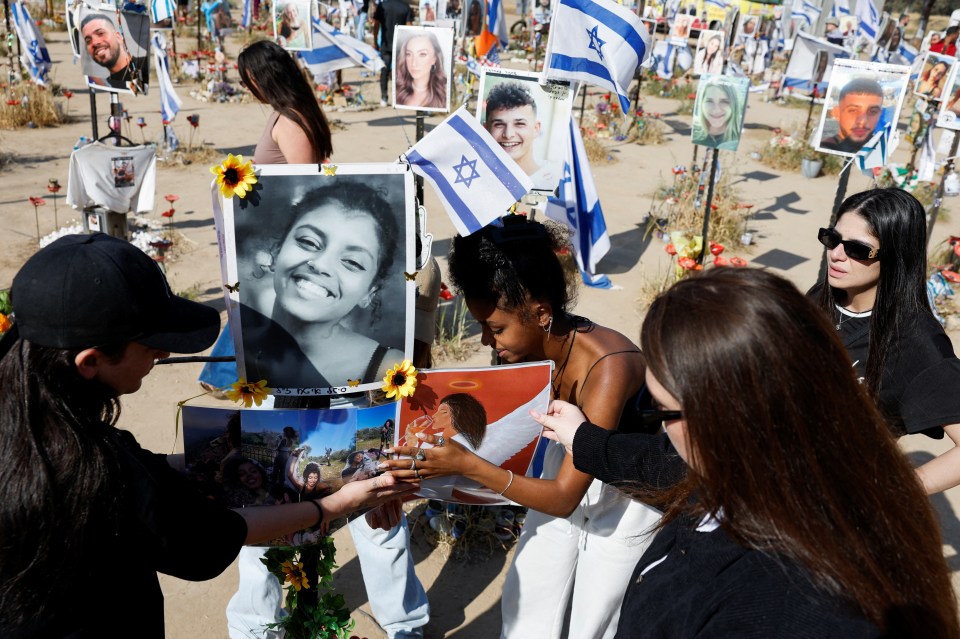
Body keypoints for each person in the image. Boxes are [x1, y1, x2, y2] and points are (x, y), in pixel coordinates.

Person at [0, 233, 415, 637]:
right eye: (152, 344)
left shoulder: (34, 419)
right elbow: (207, 538)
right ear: (90, 362)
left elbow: (151, 471)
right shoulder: (99, 475)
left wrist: (239, 457)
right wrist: (333, 507)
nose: (163, 354)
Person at [533, 267, 960, 637]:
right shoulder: (755, 470)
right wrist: (583, 438)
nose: (660, 428)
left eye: (659, 412)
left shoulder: (793, 605)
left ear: (724, 416)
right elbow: (663, 466)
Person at [380, 217, 660, 639]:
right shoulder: (522, 346)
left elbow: (566, 497)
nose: (487, 342)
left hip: (625, 498)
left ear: (541, 312)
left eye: (494, 329)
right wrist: (411, 481)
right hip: (560, 471)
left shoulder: (608, 367)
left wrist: (468, 466)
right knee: (528, 599)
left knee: (596, 620)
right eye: (481, 326)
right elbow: (502, 446)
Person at [810, 188, 960, 494]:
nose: (836, 254)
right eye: (832, 238)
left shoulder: (916, 342)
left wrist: (890, 491)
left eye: (857, 249)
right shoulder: (822, 296)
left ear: (894, 256)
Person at [240, 182, 403, 389]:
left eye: (352, 262)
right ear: (278, 250)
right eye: (308, 242)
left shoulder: (391, 371)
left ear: (370, 292)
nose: (320, 264)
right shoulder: (235, 353)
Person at [237, 40, 334, 165]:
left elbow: (304, 180)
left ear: (266, 79)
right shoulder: (285, 112)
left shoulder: (291, 123)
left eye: (247, 81)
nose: (246, 87)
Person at [483, 82, 555, 187]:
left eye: (519, 124)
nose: (508, 134)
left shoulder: (554, 182)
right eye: (499, 124)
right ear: (485, 129)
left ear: (536, 129)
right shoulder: (477, 180)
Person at [80, 13, 148, 92]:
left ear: (119, 37)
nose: (95, 42)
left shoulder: (144, 66)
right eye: (88, 40)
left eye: (100, 33)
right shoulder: (108, 84)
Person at [819, 77, 884, 154]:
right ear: (837, 113)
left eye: (873, 111)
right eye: (853, 110)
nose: (862, 121)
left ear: (880, 114)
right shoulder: (825, 148)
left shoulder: (881, 149)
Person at [394, 30, 448, 109]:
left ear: (434, 58)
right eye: (408, 54)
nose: (414, 63)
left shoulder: (443, 95)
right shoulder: (399, 91)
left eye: (422, 54)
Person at [373, 0, 412, 106]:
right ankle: (400, 98)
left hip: (386, 44)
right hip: (401, 44)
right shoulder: (405, 7)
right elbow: (409, 26)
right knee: (400, 72)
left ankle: (384, 97)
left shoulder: (383, 6)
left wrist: (375, 40)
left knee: (384, 71)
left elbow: (376, 24)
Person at [691, 78, 743, 150]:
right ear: (701, 103)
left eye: (724, 102)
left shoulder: (738, 140)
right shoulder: (695, 132)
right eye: (709, 101)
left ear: (734, 106)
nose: (716, 110)